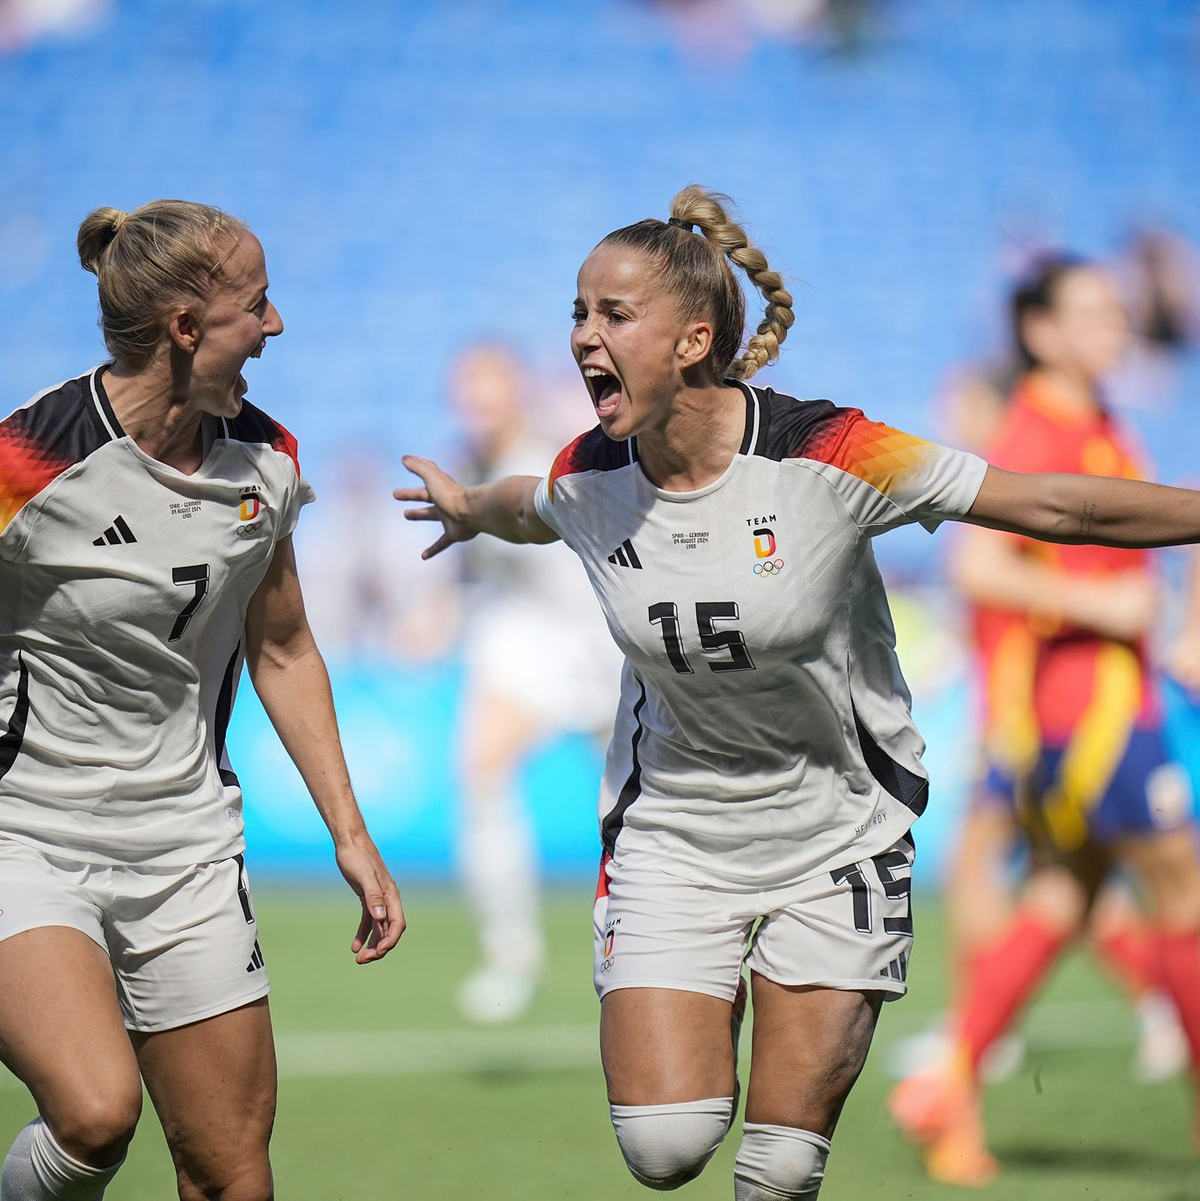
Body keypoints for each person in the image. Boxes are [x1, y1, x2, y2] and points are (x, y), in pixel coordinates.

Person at [396, 186, 1200, 1200]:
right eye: (578, 313)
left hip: (837, 835)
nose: (582, 337)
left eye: (613, 314)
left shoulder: (833, 452)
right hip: (673, 839)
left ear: (694, 341)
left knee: (777, 1172)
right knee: (664, 1143)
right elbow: (532, 506)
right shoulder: (591, 473)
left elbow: (1049, 505)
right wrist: (469, 506)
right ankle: (707, 984)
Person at [0, 200, 404, 1201]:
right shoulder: (27, 462)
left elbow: (284, 646)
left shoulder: (266, 459)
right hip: (24, 837)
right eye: (257, 304)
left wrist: (350, 834)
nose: (276, 324)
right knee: (95, 1113)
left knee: (232, 1175)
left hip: (187, 848)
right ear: (186, 327)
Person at [889, 256, 1200, 1186]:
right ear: (1041, 331)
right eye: (1092, 311)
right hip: (1082, 715)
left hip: (1102, 704)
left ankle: (948, 1082)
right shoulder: (1032, 430)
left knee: (1064, 896)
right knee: (1182, 895)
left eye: (1118, 309)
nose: (1115, 324)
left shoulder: (1100, 420)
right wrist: (1109, 608)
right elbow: (979, 569)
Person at [447, 343, 620, 1023]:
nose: (477, 407)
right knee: (481, 767)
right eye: (467, 394)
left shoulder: (554, 452)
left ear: (516, 391)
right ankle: (511, 952)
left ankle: (647, 933)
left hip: (597, 638)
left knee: (631, 803)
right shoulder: (469, 464)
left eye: (488, 390)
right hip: (522, 639)